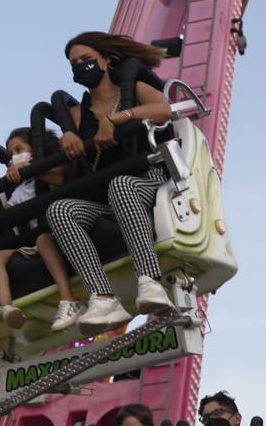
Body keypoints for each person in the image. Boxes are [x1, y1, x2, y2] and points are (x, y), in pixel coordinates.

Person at [44, 31, 174, 335]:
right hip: (106, 196)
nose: (80, 67)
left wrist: (117, 119)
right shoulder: (80, 113)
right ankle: (102, 296)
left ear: (105, 59)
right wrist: (67, 134)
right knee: (60, 210)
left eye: (87, 60)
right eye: (74, 63)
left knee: (122, 185)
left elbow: (163, 109)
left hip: (149, 182)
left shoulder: (133, 88)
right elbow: (65, 153)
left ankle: (150, 280)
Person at [0, 128, 86, 332]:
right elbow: (0, 221)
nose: (14, 157)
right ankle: (7, 308)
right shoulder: (22, 188)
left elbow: (60, 180)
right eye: (11, 154)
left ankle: (68, 298)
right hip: (30, 245)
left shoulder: (53, 165)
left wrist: (31, 169)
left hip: (61, 231)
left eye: (19, 149)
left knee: (43, 240)